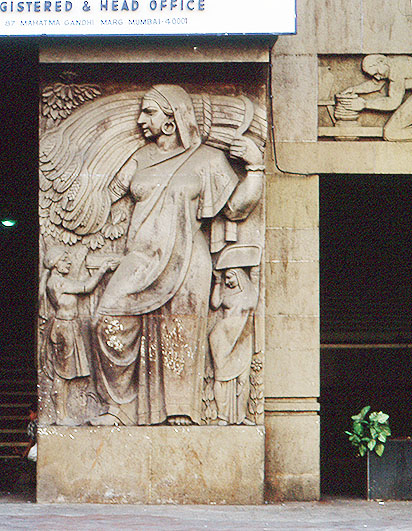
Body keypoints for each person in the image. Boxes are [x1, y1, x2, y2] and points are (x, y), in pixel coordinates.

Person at [92, 84, 264, 426]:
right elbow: (107, 195)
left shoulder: (208, 159)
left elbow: (235, 208)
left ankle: (180, 409)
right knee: (106, 320)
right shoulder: (140, 158)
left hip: (187, 258)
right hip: (141, 257)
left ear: (172, 118)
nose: (141, 120)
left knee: (180, 331)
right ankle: (118, 406)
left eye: (149, 112)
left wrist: (256, 167)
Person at [40, 247, 118, 425]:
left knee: (65, 373)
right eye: (64, 259)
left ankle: (62, 414)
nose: (68, 262)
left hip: (69, 326)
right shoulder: (57, 282)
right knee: (62, 374)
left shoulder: (59, 281)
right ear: (55, 264)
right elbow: (86, 287)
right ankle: (61, 416)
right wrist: (102, 269)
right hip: (64, 327)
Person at [209, 267, 258, 425]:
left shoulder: (248, 293)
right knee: (221, 376)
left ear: (239, 276)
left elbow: (254, 301)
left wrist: (254, 275)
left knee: (243, 377)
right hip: (222, 336)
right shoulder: (225, 292)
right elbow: (214, 304)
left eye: (230, 277)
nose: (228, 281)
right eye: (226, 278)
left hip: (242, 335)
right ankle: (222, 415)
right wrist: (217, 281)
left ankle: (241, 416)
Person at [338, 54, 412, 140]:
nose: (378, 77)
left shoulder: (397, 69)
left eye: (376, 73)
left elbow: (393, 102)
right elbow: (376, 84)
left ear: (380, 61)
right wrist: (354, 89)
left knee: (391, 132)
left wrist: (364, 104)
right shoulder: (389, 63)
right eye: (374, 75)